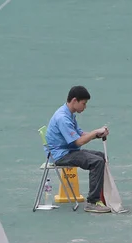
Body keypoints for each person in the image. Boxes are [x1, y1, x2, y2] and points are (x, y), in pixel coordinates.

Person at [46, 85, 111, 213]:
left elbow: (80, 134)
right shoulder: (63, 118)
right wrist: (94, 132)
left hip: (68, 151)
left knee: (101, 156)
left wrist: (97, 134)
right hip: (61, 155)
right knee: (96, 162)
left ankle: (101, 196)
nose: (85, 107)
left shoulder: (69, 114)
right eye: (84, 103)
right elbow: (78, 142)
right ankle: (92, 202)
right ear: (74, 101)